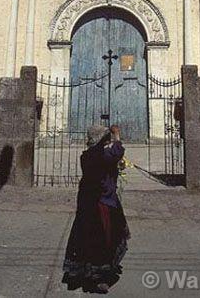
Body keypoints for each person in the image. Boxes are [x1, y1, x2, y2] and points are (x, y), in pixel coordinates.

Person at [62, 124, 130, 293]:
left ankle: (80, 271)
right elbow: (118, 150)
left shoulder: (86, 156)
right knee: (103, 239)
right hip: (102, 204)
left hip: (86, 202)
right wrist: (117, 135)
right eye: (105, 138)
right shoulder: (102, 155)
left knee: (84, 237)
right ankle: (98, 277)